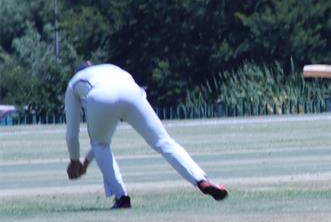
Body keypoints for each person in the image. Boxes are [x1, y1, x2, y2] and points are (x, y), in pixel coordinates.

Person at [65, 61, 229, 208]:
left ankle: (122, 197)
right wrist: (85, 162)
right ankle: (202, 181)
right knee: (164, 142)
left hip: (99, 95)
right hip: (132, 91)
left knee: (100, 145)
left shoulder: (74, 83)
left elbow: (73, 133)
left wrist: (74, 160)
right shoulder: (112, 69)